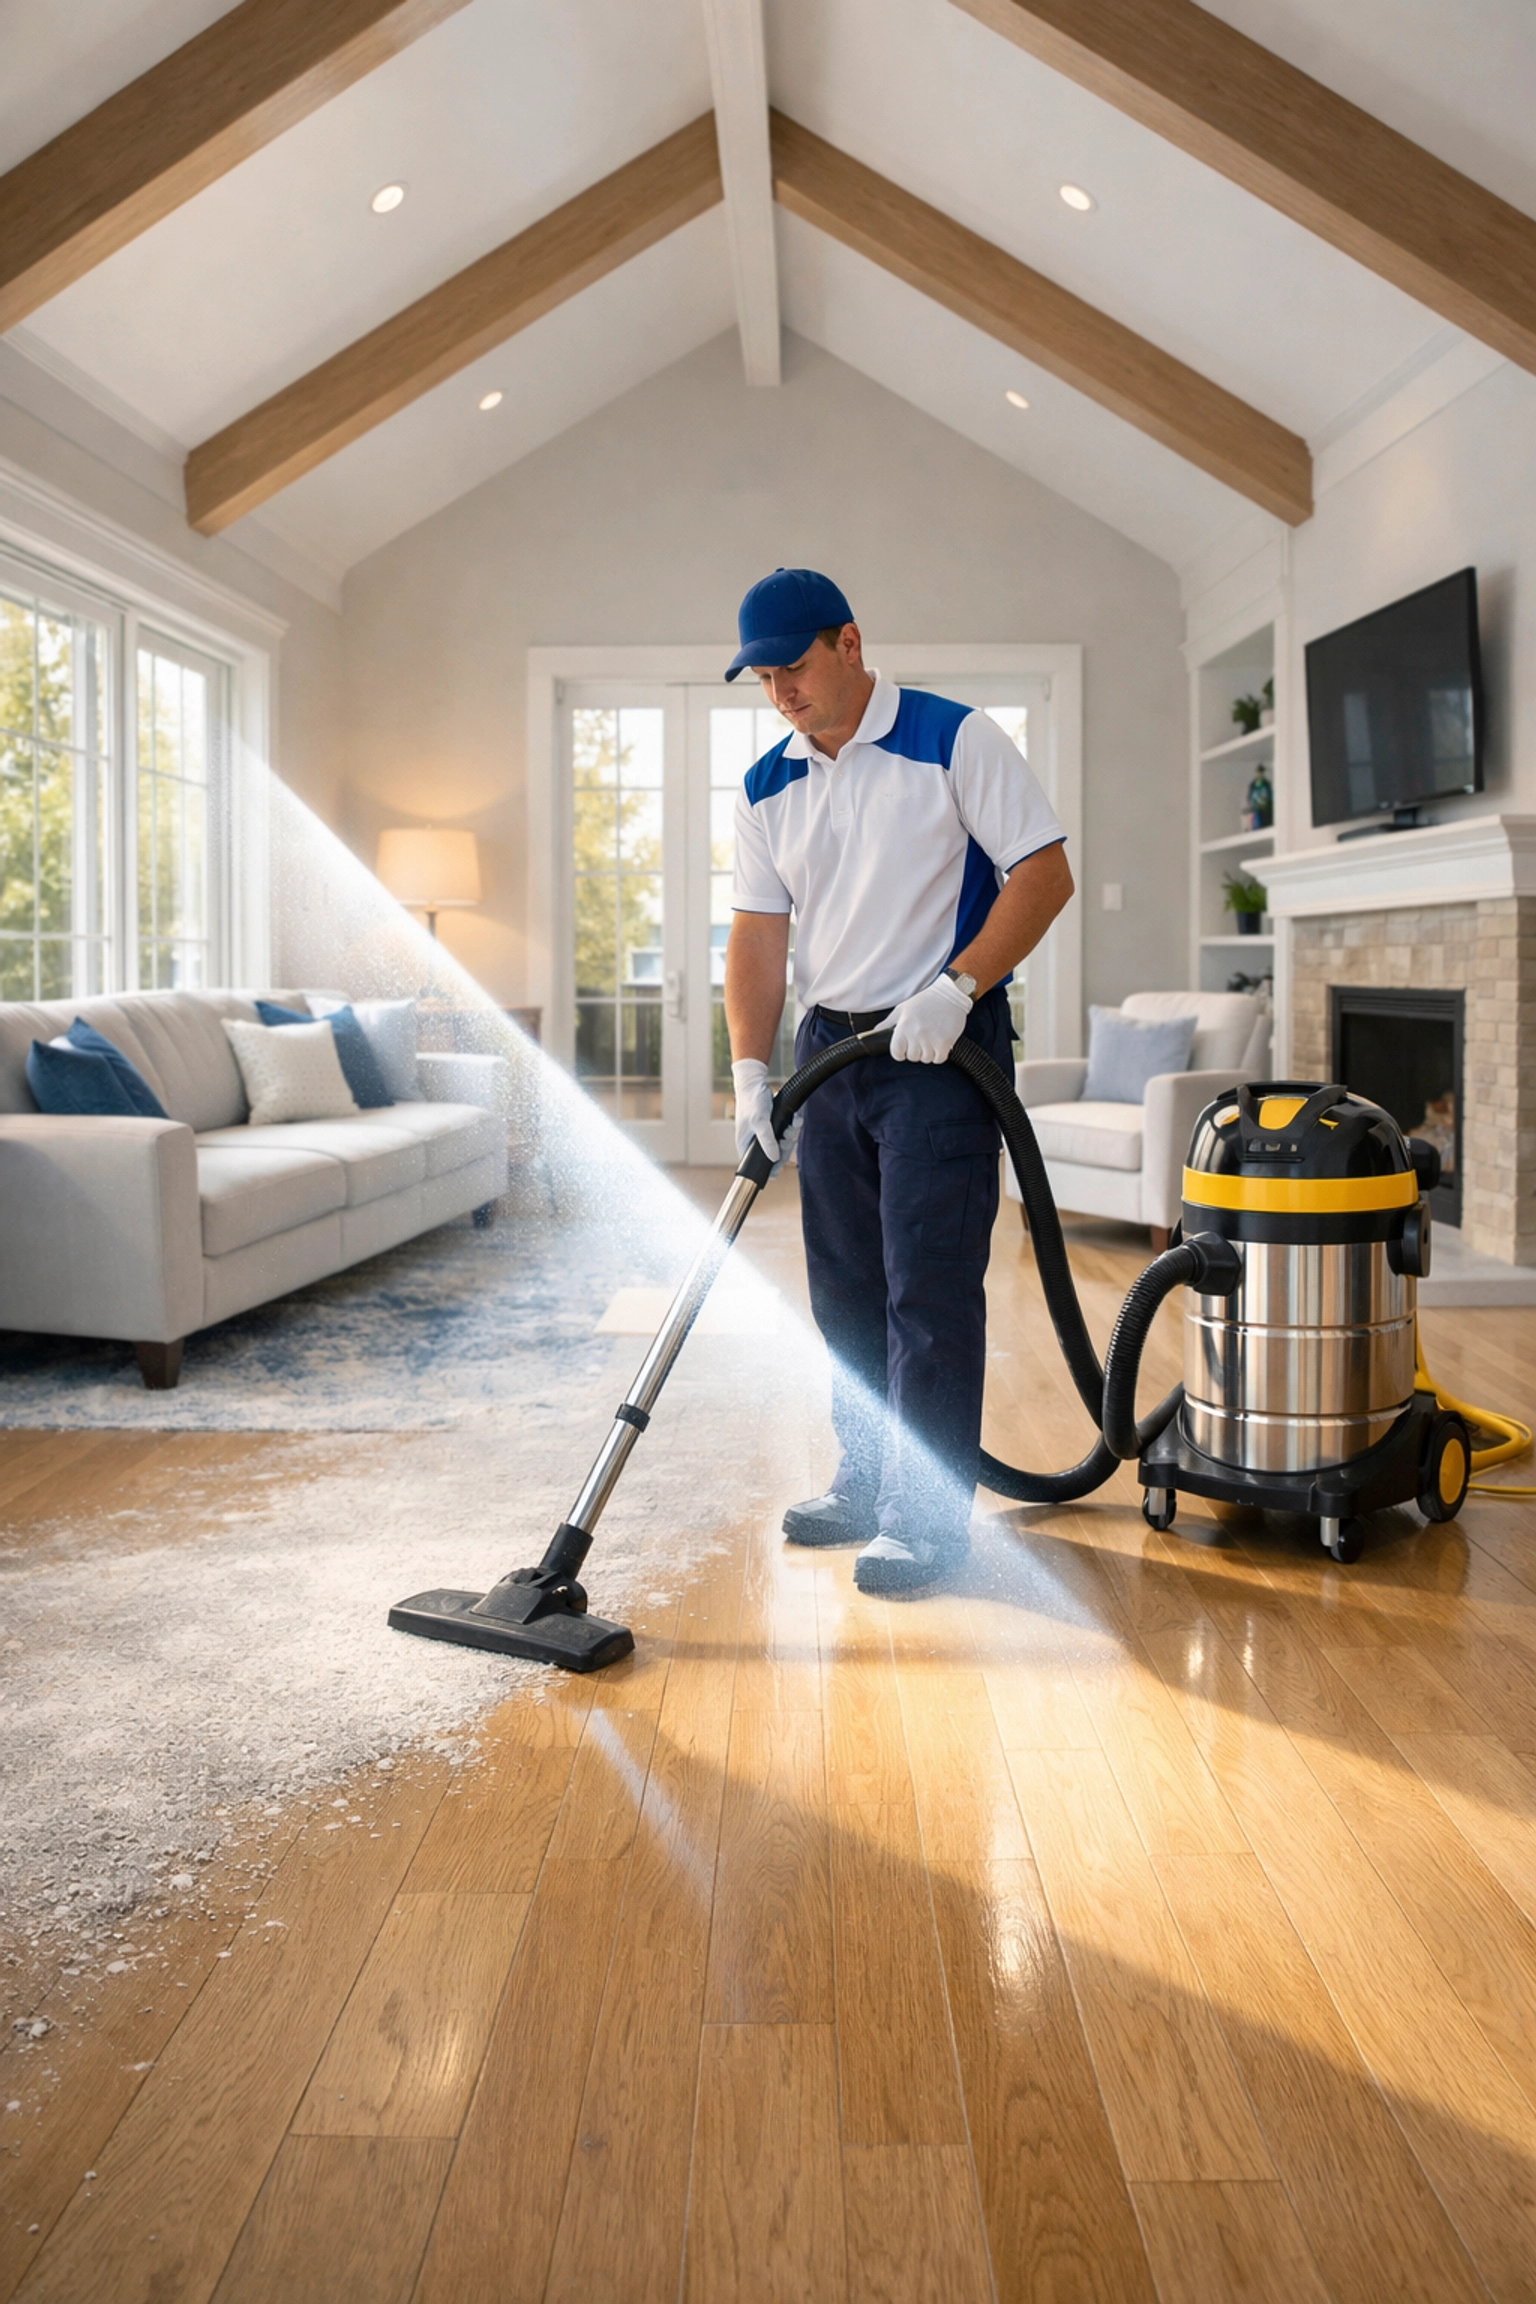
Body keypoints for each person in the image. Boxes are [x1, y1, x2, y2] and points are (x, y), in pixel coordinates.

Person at [723, 568, 1073, 1592]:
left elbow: (1043, 872)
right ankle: (869, 1476)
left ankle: (925, 1519)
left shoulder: (952, 738)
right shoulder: (766, 785)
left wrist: (959, 986)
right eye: (763, 676)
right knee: (843, 1289)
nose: (780, 689)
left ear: (850, 643)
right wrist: (751, 1077)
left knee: (925, 1285)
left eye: (793, 666)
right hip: (829, 1056)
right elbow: (756, 938)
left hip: (937, 1047)